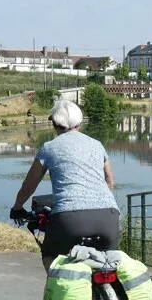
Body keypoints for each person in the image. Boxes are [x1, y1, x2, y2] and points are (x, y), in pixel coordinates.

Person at [11, 100, 118, 272]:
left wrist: (17, 207)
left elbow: (29, 186)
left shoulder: (49, 148)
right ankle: (111, 295)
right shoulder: (97, 144)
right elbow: (109, 181)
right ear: (80, 122)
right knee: (109, 264)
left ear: (54, 123)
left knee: (50, 257)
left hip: (69, 219)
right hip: (108, 216)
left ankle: (58, 294)